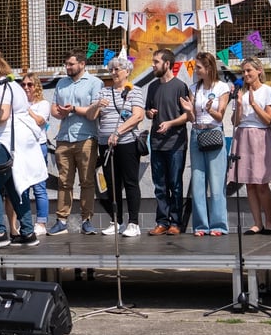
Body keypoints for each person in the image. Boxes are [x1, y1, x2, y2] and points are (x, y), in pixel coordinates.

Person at [0, 50, 47, 248]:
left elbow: (3, 114)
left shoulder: (0, 87)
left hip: (7, 142)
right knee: (15, 185)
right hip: (22, 143)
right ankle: (27, 232)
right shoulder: (14, 85)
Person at [87, 56, 145, 238]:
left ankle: (133, 222)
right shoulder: (103, 92)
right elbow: (91, 116)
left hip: (127, 142)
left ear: (127, 71)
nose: (113, 73)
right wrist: (97, 105)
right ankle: (116, 220)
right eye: (111, 70)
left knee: (130, 182)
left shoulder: (135, 91)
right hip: (106, 143)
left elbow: (138, 116)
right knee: (112, 183)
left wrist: (118, 133)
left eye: (117, 69)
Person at [48, 49, 104, 236]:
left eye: (71, 64)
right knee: (64, 182)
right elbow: (54, 109)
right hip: (64, 137)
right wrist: (61, 112)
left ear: (82, 64)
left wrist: (72, 109)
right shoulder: (62, 83)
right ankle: (61, 220)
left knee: (87, 181)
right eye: (66, 64)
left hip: (86, 137)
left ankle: (87, 220)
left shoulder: (95, 83)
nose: (67, 67)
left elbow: (94, 111)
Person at [228, 56, 271, 235]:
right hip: (242, 135)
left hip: (260, 136)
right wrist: (240, 105)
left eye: (249, 70)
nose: (245, 74)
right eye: (243, 71)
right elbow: (234, 121)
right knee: (249, 184)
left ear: (259, 71)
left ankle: (269, 221)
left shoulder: (268, 91)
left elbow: (269, 120)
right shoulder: (241, 91)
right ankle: (257, 223)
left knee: (261, 183)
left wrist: (253, 104)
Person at [180, 52, 230, 236]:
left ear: (209, 68)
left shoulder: (222, 87)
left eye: (199, 67)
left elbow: (221, 116)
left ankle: (218, 225)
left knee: (216, 182)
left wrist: (211, 109)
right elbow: (192, 118)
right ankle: (201, 226)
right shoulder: (194, 88)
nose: (196, 70)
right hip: (197, 133)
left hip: (214, 132)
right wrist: (188, 110)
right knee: (198, 181)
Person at [145, 48, 190, 236]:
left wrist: (170, 123)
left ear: (167, 64)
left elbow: (188, 115)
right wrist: (150, 113)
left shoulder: (180, 86)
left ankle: (176, 223)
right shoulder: (152, 87)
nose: (153, 65)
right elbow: (148, 111)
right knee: (160, 185)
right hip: (156, 142)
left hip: (175, 143)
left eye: (156, 62)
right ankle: (162, 221)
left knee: (175, 184)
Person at [21, 73, 51, 236]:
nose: (26, 87)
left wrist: (28, 110)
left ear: (37, 86)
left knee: (39, 187)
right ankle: (25, 222)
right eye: (23, 84)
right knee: (23, 187)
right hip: (22, 148)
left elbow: (40, 121)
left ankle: (41, 222)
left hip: (38, 146)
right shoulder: (18, 104)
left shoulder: (43, 104)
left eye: (30, 84)